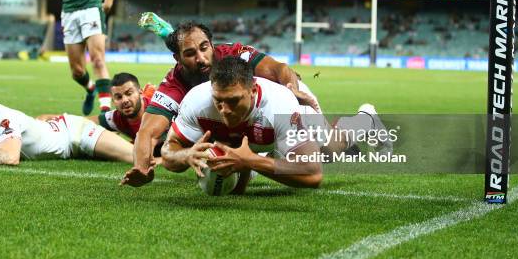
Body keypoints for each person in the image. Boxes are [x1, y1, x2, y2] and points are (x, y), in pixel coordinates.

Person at [121, 18, 320, 187]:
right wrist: (141, 167)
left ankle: (345, 129)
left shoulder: (233, 56)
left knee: (333, 147)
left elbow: (279, 69)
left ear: (212, 45)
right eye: (190, 54)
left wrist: (292, 89)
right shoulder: (175, 86)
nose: (200, 58)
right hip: (229, 124)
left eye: (204, 48)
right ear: (177, 58)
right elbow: (147, 132)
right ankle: (250, 164)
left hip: (280, 102)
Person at [161, 57, 388, 192]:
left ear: (252, 91)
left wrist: (251, 161)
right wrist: (186, 155)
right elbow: (168, 151)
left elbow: (312, 175)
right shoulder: (196, 101)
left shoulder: (282, 106)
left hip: (295, 105)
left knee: (332, 149)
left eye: (233, 101)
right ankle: (260, 159)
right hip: (254, 134)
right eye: (218, 101)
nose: (224, 110)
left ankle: (366, 118)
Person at [0, 87, 133, 167]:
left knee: (136, 157)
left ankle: (162, 147)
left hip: (74, 133)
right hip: (65, 143)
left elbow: (9, 157)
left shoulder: (1, 117)